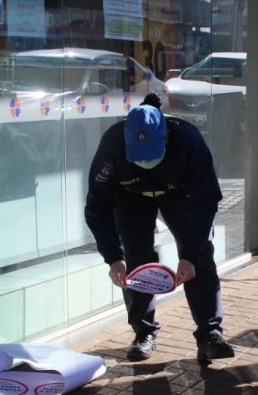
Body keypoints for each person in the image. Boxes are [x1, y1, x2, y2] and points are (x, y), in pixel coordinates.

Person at [85, 93, 235, 363]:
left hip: (180, 193)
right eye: (139, 156)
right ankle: (143, 332)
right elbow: (98, 207)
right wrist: (113, 257)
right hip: (131, 196)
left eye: (151, 154)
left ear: (165, 138)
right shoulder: (112, 145)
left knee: (199, 258)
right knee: (135, 259)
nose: (145, 160)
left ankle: (210, 334)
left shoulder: (188, 141)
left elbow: (206, 201)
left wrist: (188, 255)